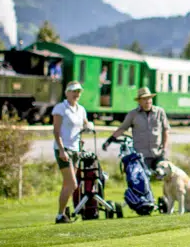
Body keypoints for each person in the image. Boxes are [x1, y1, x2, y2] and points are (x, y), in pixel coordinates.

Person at [52, 81, 94, 224]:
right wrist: (62, 150)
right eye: (74, 91)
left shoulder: (81, 109)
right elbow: (56, 131)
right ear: (67, 92)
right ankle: (59, 214)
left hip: (76, 149)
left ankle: (62, 214)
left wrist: (88, 129)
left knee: (67, 184)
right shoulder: (60, 108)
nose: (76, 94)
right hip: (63, 149)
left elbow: (85, 124)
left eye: (79, 92)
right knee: (72, 184)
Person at [104, 86, 170, 171]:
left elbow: (166, 131)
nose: (148, 101)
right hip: (141, 156)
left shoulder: (160, 112)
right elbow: (122, 129)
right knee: (143, 181)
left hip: (158, 154)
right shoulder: (133, 114)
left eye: (149, 98)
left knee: (160, 180)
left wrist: (164, 149)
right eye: (144, 99)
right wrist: (109, 141)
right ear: (139, 101)